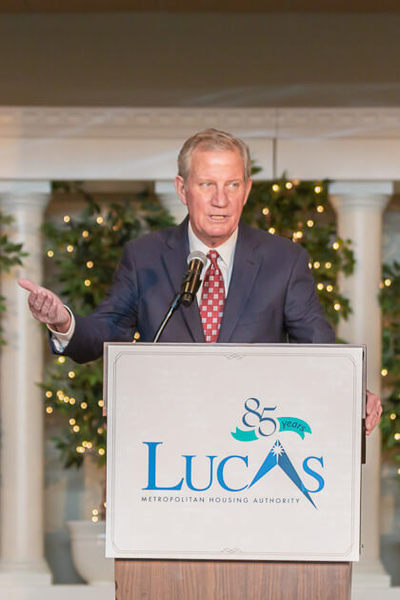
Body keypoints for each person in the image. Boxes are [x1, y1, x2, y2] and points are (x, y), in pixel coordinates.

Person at [18, 128, 382, 434]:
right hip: (166, 443)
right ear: (182, 189)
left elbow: (319, 350)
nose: (221, 200)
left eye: (232, 184)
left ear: (247, 189)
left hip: (251, 440)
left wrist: (351, 393)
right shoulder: (145, 257)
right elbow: (106, 332)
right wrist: (63, 322)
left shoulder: (283, 261)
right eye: (207, 184)